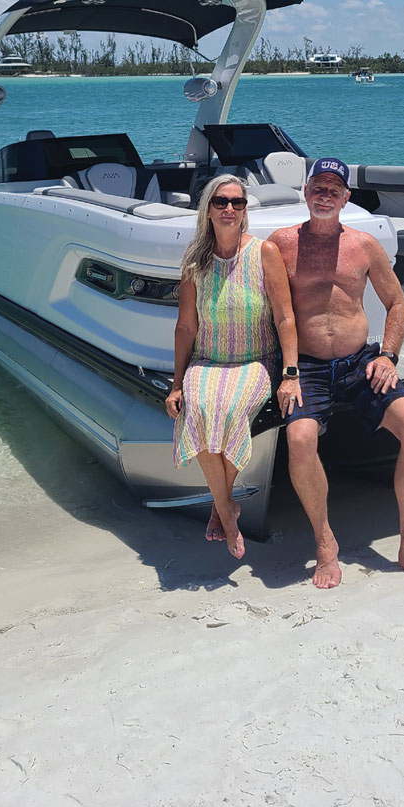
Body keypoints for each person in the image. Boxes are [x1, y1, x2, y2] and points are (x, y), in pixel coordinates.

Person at [268, 157, 404, 589]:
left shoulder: (365, 245)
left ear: (347, 197)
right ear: (306, 192)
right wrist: (286, 371)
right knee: (299, 438)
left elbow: (398, 304)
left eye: (335, 189)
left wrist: (388, 356)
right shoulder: (280, 243)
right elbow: (273, 312)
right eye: (319, 186)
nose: (325, 195)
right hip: (306, 367)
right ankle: (325, 543)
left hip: (359, 362)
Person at [166, 174, 302, 559]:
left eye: (237, 203)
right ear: (207, 210)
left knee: (230, 408)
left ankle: (220, 511)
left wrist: (290, 373)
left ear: (245, 211)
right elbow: (186, 325)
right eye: (221, 202)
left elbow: (285, 318)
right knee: (202, 407)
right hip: (207, 360)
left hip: (254, 360)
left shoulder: (264, 253)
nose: (229, 209)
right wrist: (177, 384)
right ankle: (228, 513)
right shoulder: (195, 261)